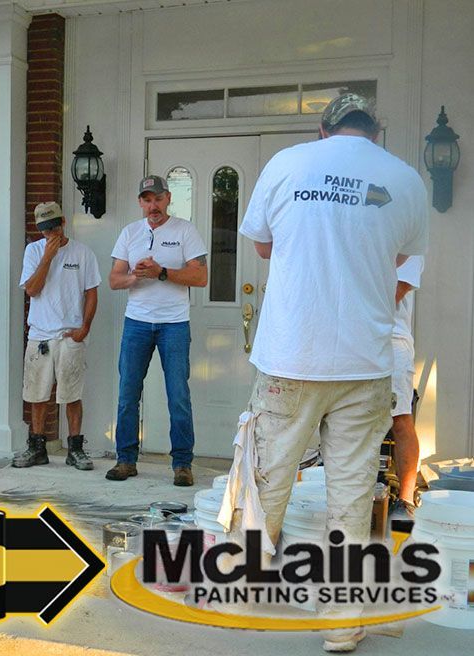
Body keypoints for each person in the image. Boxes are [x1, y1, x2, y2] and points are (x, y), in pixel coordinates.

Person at [237, 93, 428, 653]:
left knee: (267, 477)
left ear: (324, 129)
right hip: (364, 362)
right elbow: (398, 260)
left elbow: (263, 245)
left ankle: (247, 590)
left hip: (290, 357)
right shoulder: (405, 179)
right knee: (350, 488)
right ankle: (342, 621)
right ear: (376, 130)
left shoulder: (287, 163)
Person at [107, 175, 208, 486]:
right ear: (140, 202)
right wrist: (137, 276)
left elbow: (200, 277)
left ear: (168, 199)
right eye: (147, 199)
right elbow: (114, 280)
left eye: (158, 199)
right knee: (127, 395)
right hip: (137, 322)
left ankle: (182, 464)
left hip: (174, 324)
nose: (153, 205)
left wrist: (161, 272)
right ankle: (126, 460)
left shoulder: (185, 230)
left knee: (178, 394)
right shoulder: (129, 232)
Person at [13, 202, 100, 470]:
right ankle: (37, 448)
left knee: (71, 394)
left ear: (63, 222)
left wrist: (84, 328)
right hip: (40, 334)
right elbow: (32, 290)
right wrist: (47, 258)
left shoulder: (83, 253)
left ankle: (75, 448)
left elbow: (92, 293)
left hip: (69, 334)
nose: (49, 234)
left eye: (53, 227)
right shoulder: (34, 251)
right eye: (43, 229)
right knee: (37, 394)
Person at [391, 255, 425, 517]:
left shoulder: (410, 242)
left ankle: (405, 501)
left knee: (400, 419)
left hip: (392, 341)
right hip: (351, 343)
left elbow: (395, 293)